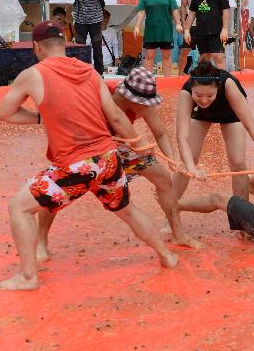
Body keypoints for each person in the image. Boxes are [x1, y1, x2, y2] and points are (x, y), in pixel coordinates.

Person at [0, 21, 178, 291]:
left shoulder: (32, 74)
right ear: (64, 43)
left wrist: (40, 118)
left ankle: (28, 277)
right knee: (128, 211)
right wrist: (139, 145)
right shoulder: (90, 71)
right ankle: (167, 255)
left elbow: (6, 114)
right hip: (108, 157)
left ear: (36, 47)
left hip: (76, 164)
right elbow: (115, 116)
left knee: (19, 207)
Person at [36, 66, 201, 260]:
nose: (148, 107)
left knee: (164, 179)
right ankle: (41, 241)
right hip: (83, 147)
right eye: (144, 103)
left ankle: (177, 233)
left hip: (124, 145)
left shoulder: (143, 105)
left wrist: (172, 159)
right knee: (54, 190)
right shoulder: (98, 95)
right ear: (130, 98)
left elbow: (161, 133)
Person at [172, 60, 254, 202]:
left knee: (237, 163)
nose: (204, 100)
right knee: (187, 161)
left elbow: (251, 127)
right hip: (201, 114)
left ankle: (242, 216)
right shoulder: (186, 93)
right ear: (192, 88)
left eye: (210, 95)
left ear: (218, 88)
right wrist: (191, 167)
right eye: (198, 95)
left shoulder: (228, 85)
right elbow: (181, 137)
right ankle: (170, 213)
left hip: (229, 111)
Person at [135, 0, 182, 76]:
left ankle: (167, 80)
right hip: (151, 32)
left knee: (166, 57)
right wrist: (137, 26)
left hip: (165, 31)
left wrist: (178, 23)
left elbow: (175, 10)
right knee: (149, 57)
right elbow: (141, 12)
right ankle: (148, 81)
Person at [63, 0, 105, 74]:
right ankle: (81, 73)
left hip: (95, 19)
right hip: (80, 20)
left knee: (97, 48)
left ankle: (99, 74)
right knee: (80, 49)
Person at [183, 0, 230, 70]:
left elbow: (226, 11)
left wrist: (225, 29)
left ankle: (223, 82)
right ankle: (206, 82)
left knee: (218, 56)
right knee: (204, 58)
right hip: (201, 32)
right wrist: (186, 31)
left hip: (216, 32)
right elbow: (191, 14)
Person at [178, 0, 203, 75]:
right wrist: (183, 23)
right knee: (185, 51)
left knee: (205, 52)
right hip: (191, 24)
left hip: (205, 23)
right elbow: (183, 6)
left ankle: (203, 75)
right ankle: (179, 75)